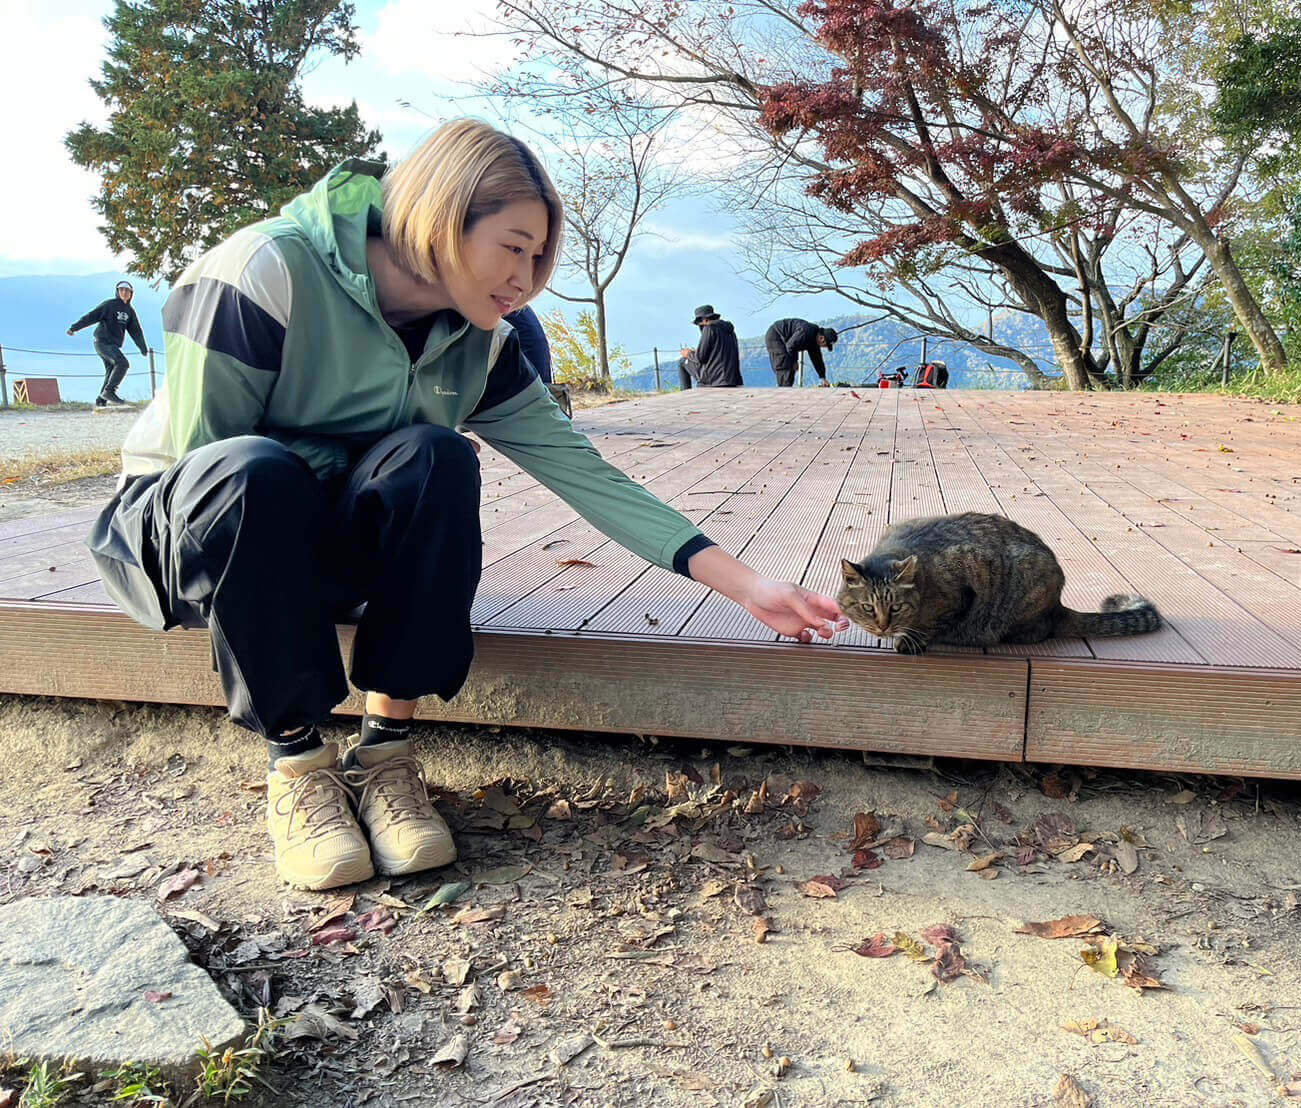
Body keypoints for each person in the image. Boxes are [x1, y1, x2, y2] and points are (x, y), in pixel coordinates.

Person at [85, 119, 848, 893]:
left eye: (539, 257)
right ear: (443, 214)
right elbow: (207, 468)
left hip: (310, 548)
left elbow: (582, 471)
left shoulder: (477, 338)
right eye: (513, 247)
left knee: (437, 457)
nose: (527, 279)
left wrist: (748, 586)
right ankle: (299, 765)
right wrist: (355, 459)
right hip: (187, 543)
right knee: (260, 471)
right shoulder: (262, 271)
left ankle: (386, 753)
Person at [67, 279, 149, 409]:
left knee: (111, 370)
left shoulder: (130, 311)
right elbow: (91, 316)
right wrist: (74, 328)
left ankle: (101, 400)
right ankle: (110, 391)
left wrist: (142, 347)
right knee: (122, 363)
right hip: (102, 342)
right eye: (121, 290)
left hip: (113, 345)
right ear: (117, 292)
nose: (124, 292)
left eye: (127, 290)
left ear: (131, 293)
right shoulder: (109, 305)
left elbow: (136, 331)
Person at [679, 304, 743, 388]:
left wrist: (688, 354)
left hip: (714, 379)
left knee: (682, 361)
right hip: (732, 379)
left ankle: (685, 394)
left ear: (704, 319)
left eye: (699, 324)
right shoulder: (730, 331)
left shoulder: (709, 328)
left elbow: (700, 358)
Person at [764, 318, 836, 387]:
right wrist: (795, 362)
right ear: (822, 339)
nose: (824, 347)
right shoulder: (805, 332)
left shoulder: (814, 341)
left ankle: (786, 389)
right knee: (785, 366)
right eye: (825, 345)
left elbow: (817, 360)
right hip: (776, 335)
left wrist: (822, 378)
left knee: (791, 370)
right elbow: (790, 346)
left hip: (786, 342)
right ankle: (783, 392)